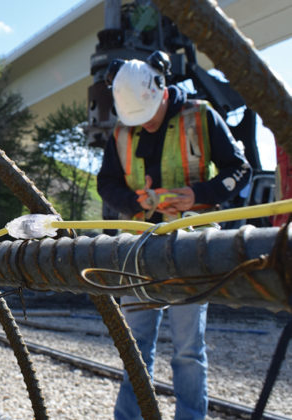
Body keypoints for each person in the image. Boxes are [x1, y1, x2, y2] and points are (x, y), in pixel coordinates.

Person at [96, 52, 251, 420]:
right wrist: (135, 202)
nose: (144, 126)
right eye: (137, 120)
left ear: (162, 91)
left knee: (187, 350)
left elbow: (239, 169)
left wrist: (199, 195)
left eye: (148, 117)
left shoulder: (201, 116)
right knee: (135, 346)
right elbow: (107, 183)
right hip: (139, 246)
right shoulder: (122, 131)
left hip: (191, 246)